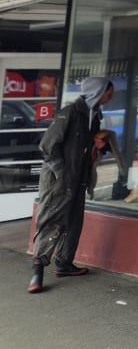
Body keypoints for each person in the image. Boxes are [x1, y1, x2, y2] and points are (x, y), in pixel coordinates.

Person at [27, 77, 114, 293]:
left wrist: (97, 145)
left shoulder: (94, 116)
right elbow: (47, 146)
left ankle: (64, 263)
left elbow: (85, 147)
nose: (111, 96)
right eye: (109, 92)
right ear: (97, 92)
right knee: (52, 219)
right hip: (59, 179)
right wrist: (60, 173)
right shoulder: (70, 112)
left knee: (74, 221)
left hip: (78, 177)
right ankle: (38, 269)